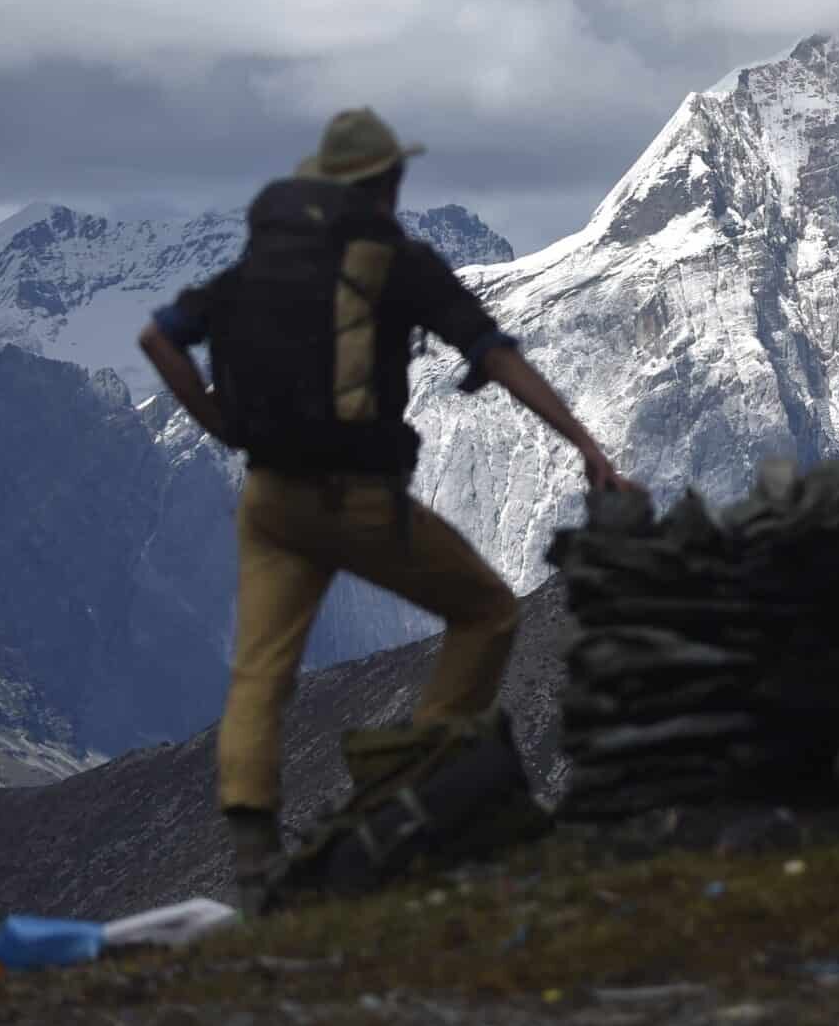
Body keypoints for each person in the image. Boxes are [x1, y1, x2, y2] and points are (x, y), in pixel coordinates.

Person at [138, 107, 626, 906]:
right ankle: (406, 784)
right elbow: (493, 354)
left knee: (260, 671)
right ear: (388, 181)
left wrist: (216, 422)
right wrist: (585, 444)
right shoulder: (399, 264)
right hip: (354, 499)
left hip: (267, 496)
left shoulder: (259, 264)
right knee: (488, 612)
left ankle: (255, 851)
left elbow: (160, 341)